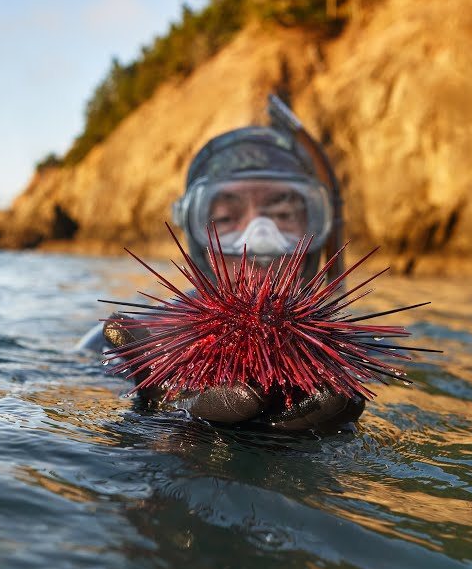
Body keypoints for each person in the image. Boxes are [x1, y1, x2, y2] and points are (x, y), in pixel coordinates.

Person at [77, 95, 364, 433]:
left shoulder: (357, 353)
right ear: (195, 233)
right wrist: (156, 418)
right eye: (227, 217)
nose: (258, 241)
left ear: (319, 228)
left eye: (283, 214)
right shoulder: (133, 344)